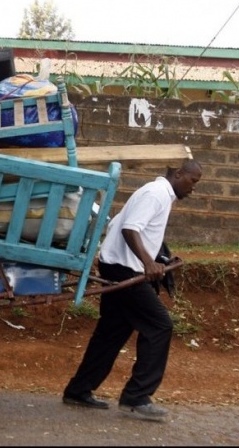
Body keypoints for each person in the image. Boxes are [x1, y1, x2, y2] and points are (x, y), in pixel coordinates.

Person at [61, 159, 202, 421]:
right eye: (193, 181)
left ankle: (78, 390)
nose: (193, 188)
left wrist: (158, 260)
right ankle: (136, 398)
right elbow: (129, 228)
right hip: (125, 270)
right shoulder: (156, 194)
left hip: (116, 265)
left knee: (111, 332)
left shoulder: (157, 193)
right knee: (160, 326)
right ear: (179, 173)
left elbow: (119, 224)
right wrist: (147, 263)